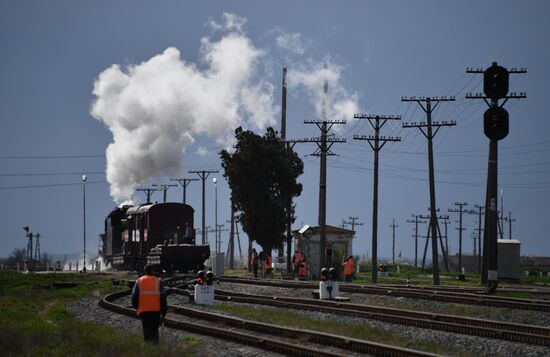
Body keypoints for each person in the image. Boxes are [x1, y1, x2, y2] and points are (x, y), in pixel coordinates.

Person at [132, 264, 167, 344]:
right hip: (156, 311)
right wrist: (164, 312)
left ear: (145, 271)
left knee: (147, 331)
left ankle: (148, 349)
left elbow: (134, 297)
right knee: (155, 331)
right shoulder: (158, 281)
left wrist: (137, 308)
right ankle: (155, 347)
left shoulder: (139, 281)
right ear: (152, 271)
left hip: (144, 311)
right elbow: (163, 298)